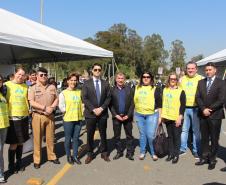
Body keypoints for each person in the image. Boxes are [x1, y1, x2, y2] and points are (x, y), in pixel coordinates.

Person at [195, 62, 225, 170]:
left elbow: (222, 99)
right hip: (203, 115)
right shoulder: (200, 82)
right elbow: (197, 97)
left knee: (214, 138)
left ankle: (212, 159)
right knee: (204, 138)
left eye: (210, 69)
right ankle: (204, 157)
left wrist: (210, 109)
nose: (208, 72)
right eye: (206, 70)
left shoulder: (221, 83)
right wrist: (203, 109)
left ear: (215, 70)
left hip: (215, 115)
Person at [28, 67, 60, 169]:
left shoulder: (52, 87)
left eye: (45, 75)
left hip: (50, 115)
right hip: (38, 115)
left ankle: (52, 156)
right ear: (37, 76)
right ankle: (37, 160)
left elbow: (57, 99)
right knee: (37, 139)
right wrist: (45, 108)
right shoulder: (32, 88)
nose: (43, 77)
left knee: (50, 138)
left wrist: (52, 107)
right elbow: (32, 102)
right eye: (41, 75)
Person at [82, 63, 111, 164]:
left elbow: (108, 98)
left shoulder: (106, 83)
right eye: (95, 70)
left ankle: (104, 152)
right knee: (90, 134)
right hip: (90, 113)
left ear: (101, 71)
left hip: (102, 113)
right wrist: (94, 109)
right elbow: (84, 98)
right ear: (92, 71)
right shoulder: (86, 83)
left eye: (99, 70)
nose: (97, 71)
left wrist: (102, 108)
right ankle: (90, 154)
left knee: (103, 134)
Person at [5, 67, 30, 174]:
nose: (21, 76)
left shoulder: (25, 86)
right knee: (14, 144)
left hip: (24, 118)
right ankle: (11, 165)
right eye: (19, 74)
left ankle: (19, 163)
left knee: (21, 143)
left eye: (23, 75)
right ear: (15, 74)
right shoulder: (7, 85)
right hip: (13, 119)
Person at [134, 72, 162, 161]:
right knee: (142, 135)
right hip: (139, 115)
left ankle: (153, 152)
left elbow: (160, 104)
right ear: (141, 78)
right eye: (144, 77)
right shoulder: (136, 88)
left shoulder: (155, 89)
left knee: (150, 135)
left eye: (148, 77)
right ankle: (142, 151)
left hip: (152, 115)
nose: (146, 78)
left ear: (151, 78)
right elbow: (133, 102)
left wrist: (160, 117)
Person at [159, 73, 186, 164]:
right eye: (171, 79)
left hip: (176, 118)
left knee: (176, 137)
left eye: (175, 79)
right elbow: (162, 103)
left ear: (177, 80)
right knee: (170, 137)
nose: (173, 80)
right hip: (167, 117)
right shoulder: (165, 89)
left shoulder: (181, 91)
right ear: (168, 80)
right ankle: (170, 154)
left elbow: (183, 105)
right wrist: (162, 116)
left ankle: (176, 155)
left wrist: (180, 117)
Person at [179, 61, 203, 159]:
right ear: (186, 69)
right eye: (189, 68)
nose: (190, 70)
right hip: (184, 109)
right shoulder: (182, 79)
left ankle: (196, 150)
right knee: (184, 130)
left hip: (196, 109)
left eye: (192, 68)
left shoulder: (201, 78)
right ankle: (182, 148)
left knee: (196, 131)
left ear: (196, 69)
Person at [58, 73, 83, 165]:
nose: (73, 82)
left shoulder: (79, 92)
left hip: (78, 118)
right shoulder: (63, 93)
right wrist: (65, 112)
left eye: (75, 80)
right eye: (71, 80)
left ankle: (75, 156)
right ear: (68, 81)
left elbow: (82, 104)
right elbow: (61, 105)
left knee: (76, 138)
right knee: (68, 139)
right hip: (68, 119)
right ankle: (69, 156)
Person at [109, 72, 135, 161]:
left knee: (129, 136)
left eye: (122, 78)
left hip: (127, 117)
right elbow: (110, 105)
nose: (120, 80)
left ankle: (129, 153)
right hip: (117, 117)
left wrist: (128, 115)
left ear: (124, 79)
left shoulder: (129, 89)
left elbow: (132, 104)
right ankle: (119, 152)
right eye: (118, 78)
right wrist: (115, 115)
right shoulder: (112, 90)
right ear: (116, 79)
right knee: (117, 136)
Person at [0, 75, 9, 183]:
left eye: (0, 80)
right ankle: (1, 174)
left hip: (4, 125)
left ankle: (1, 173)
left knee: (1, 150)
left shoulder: (3, 94)